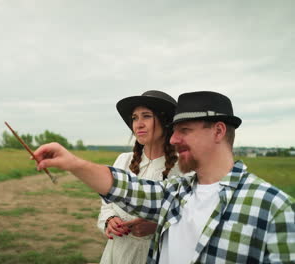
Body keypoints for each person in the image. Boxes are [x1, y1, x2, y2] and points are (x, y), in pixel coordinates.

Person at [33, 91, 294, 263]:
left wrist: (153, 227)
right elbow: (127, 188)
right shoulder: (176, 192)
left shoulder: (273, 207)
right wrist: (72, 163)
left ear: (218, 131)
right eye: (174, 130)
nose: (173, 138)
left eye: (185, 130)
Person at [97, 90, 183, 264]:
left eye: (146, 116)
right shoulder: (124, 160)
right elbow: (107, 205)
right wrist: (109, 220)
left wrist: (157, 227)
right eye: (135, 118)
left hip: (156, 255)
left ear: (166, 121)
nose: (139, 124)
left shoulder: (182, 167)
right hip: (117, 253)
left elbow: (192, 220)